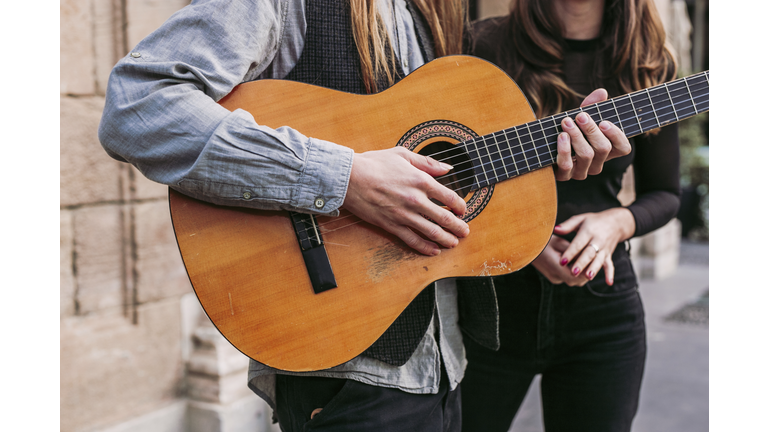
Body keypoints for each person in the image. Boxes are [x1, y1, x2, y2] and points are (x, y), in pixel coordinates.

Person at [98, 0, 630, 430]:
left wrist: (549, 155)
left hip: (444, 370)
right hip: (349, 381)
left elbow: (439, 171)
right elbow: (138, 106)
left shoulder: (435, 16)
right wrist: (343, 179)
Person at [460, 0, 680, 431]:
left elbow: (666, 193)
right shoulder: (480, 44)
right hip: (488, 305)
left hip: (602, 309)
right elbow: (446, 175)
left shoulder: (648, 63)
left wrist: (616, 223)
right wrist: (527, 244)